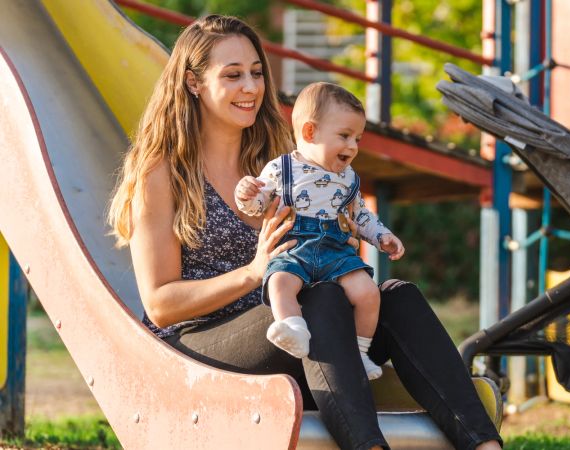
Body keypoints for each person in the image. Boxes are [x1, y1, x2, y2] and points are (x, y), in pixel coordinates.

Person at [107, 14, 502, 450]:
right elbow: (161, 305)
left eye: (257, 73)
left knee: (395, 296)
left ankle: (483, 443)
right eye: (233, 75)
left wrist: (339, 241)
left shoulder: (282, 163)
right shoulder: (162, 173)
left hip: (297, 329)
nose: (252, 88)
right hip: (202, 345)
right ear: (193, 82)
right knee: (321, 298)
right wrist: (254, 273)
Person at [235, 82, 404, 380]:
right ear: (310, 132)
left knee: (367, 294)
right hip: (295, 246)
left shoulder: (349, 178)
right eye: (344, 136)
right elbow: (257, 205)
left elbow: (361, 214)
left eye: (358, 139)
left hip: (335, 250)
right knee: (279, 282)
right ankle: (293, 328)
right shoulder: (281, 168)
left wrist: (382, 237)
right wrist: (246, 193)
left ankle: (360, 352)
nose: (352, 146)